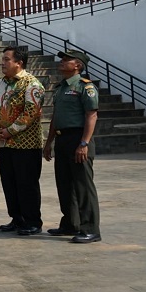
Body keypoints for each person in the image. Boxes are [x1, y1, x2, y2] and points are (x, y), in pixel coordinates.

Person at [43, 50, 102, 243]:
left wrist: (84, 143)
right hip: (62, 139)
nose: (61, 62)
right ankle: (70, 223)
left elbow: (91, 115)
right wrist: (49, 142)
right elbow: (55, 117)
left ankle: (90, 228)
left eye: (66, 60)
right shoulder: (60, 88)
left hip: (78, 138)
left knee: (83, 186)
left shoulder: (86, 87)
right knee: (65, 184)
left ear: (77, 65)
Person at [0, 47, 46, 236]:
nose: (2, 63)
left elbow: (30, 112)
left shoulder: (32, 84)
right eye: (3, 59)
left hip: (26, 145)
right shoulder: (0, 83)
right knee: (9, 183)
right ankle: (17, 218)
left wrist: (9, 131)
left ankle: (32, 221)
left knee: (26, 184)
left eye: (6, 60)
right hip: (5, 144)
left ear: (19, 63)